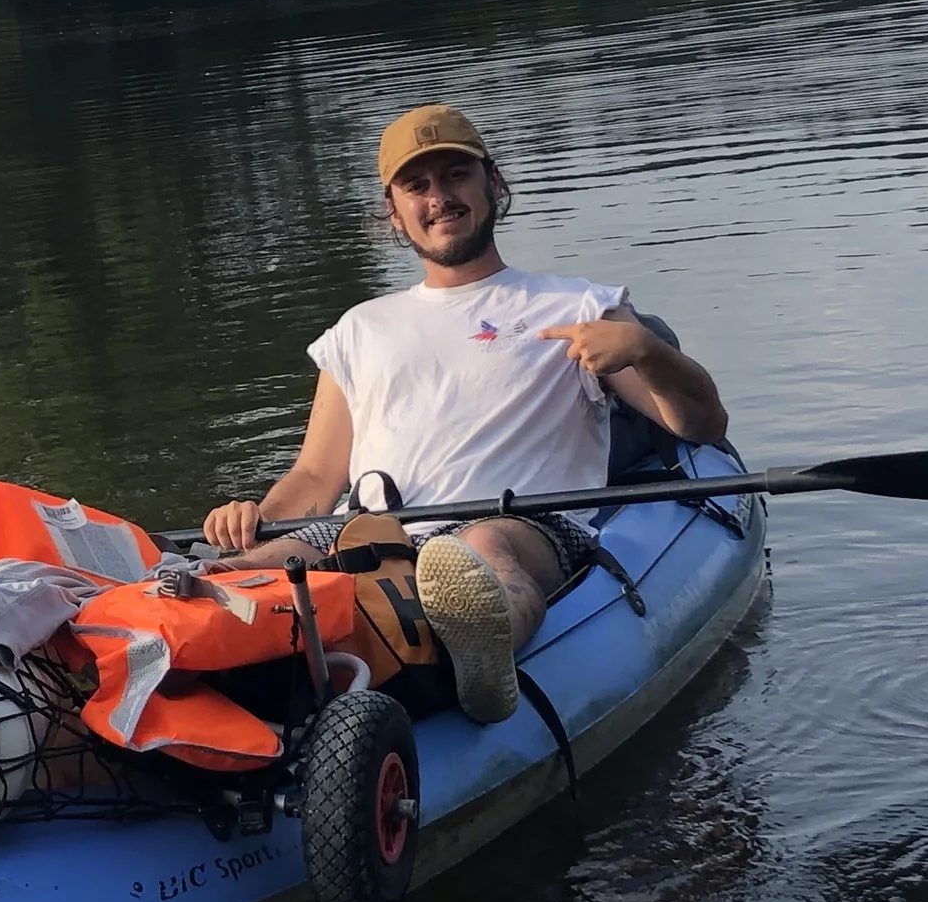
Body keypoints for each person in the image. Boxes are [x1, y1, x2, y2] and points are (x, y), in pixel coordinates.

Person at [203, 104, 729, 724]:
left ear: (491, 185)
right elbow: (316, 479)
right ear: (394, 213)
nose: (440, 198)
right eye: (417, 186)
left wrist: (647, 351)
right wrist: (252, 521)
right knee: (236, 573)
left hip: (521, 522)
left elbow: (701, 426)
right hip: (375, 527)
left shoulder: (580, 306)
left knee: (480, 549)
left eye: (456, 176)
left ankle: (481, 653)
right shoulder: (358, 329)